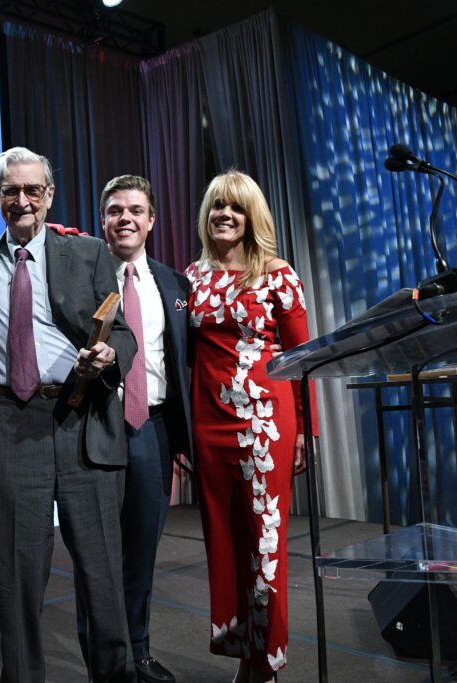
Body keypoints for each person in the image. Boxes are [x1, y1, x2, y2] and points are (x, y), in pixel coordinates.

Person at [0, 146, 137, 682]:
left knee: (102, 578)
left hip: (81, 421)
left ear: (48, 197)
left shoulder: (88, 253)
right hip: (7, 426)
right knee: (16, 580)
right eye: (11, 191)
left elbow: (125, 334)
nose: (22, 200)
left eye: (32, 191)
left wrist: (111, 356)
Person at [184, 171, 313, 683]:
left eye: (235, 208)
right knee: (226, 539)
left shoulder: (278, 274)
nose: (224, 215)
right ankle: (243, 653)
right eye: (217, 206)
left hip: (266, 425)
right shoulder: (192, 277)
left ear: (251, 217)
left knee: (265, 542)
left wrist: (305, 430)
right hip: (210, 423)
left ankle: (267, 661)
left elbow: (303, 358)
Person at [75, 176, 191, 683]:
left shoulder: (173, 284)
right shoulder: (79, 277)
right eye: (116, 210)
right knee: (95, 556)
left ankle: (138, 651)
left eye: (136, 210)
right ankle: (105, 662)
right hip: (95, 427)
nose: (126, 218)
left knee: (142, 551)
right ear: (103, 220)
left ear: (151, 220)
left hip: (154, 429)